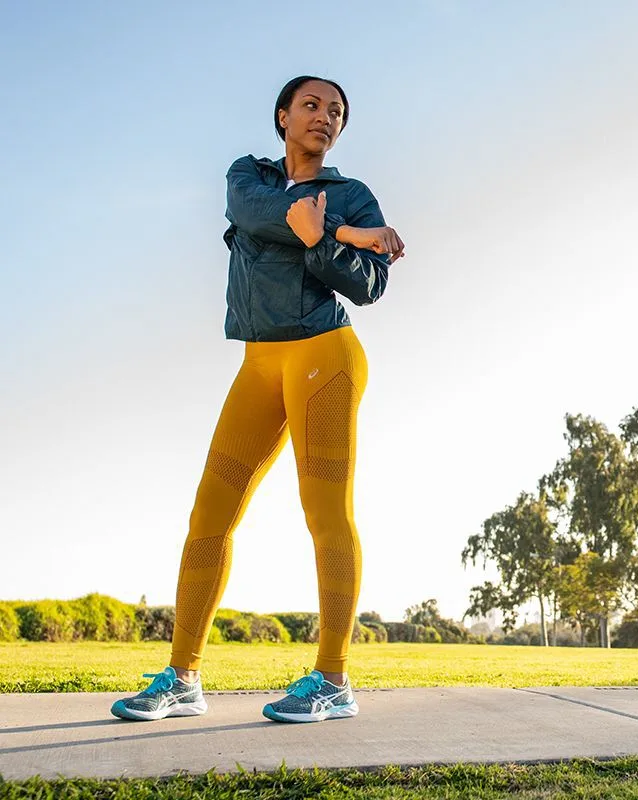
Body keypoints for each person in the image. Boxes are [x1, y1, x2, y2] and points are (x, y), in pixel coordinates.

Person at [109, 75, 404, 724]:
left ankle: (333, 678)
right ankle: (182, 676)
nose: (325, 117)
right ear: (282, 116)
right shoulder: (251, 176)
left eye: (337, 112)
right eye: (312, 105)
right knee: (208, 515)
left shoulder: (349, 195)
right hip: (258, 363)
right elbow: (254, 213)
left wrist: (323, 237)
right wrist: (349, 233)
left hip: (324, 356)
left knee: (326, 514)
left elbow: (369, 286)